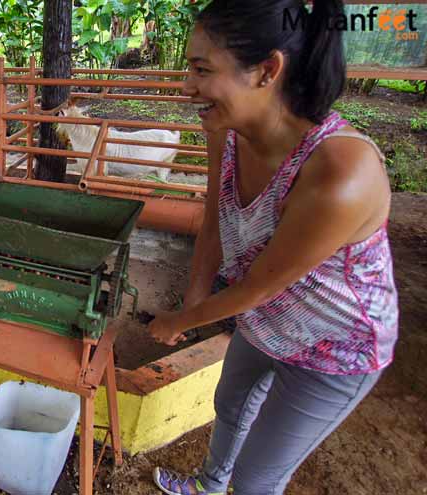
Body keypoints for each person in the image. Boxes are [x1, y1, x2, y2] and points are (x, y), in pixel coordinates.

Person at [147, 1, 398, 494]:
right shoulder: (228, 130)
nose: (185, 86)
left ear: (267, 70)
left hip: (334, 350)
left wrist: (178, 321)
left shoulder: (340, 173)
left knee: (260, 478)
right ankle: (208, 485)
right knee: (231, 406)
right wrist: (195, 298)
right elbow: (215, 224)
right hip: (265, 321)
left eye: (201, 69)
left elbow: (260, 286)